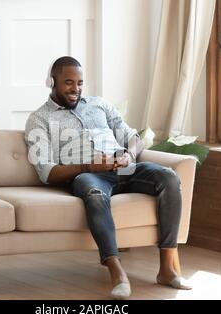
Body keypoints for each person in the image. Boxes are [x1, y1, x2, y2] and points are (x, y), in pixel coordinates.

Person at [25, 56, 192, 300]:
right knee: (91, 190)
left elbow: (134, 138)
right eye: (68, 82)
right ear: (52, 82)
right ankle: (117, 273)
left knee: (169, 177)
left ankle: (167, 269)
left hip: (123, 168)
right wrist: (88, 166)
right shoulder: (39, 119)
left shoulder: (99, 105)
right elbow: (46, 172)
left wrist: (127, 155)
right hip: (89, 176)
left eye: (80, 83)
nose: (76, 89)